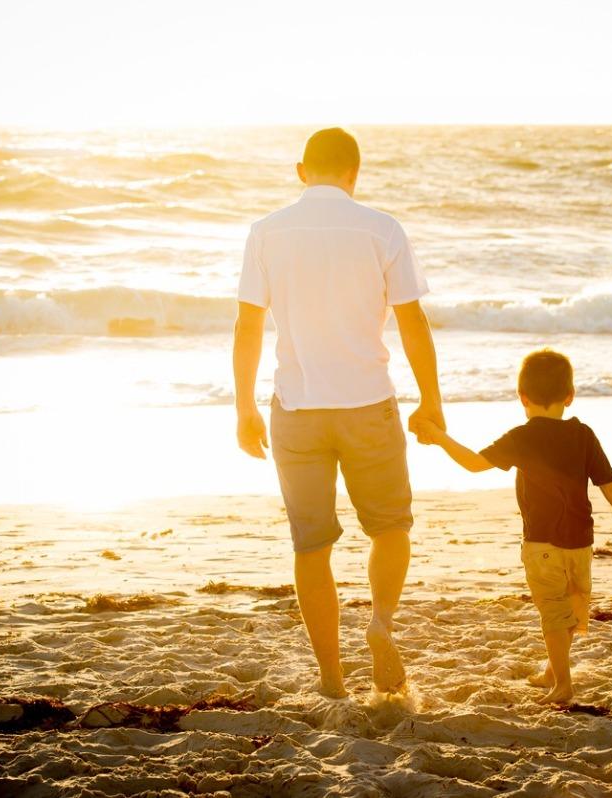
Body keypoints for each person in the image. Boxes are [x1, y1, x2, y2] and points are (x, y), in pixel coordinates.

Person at [232, 128, 444, 698]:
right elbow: (412, 322)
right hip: (369, 405)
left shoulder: (266, 232)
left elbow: (249, 325)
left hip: (296, 411)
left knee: (311, 547)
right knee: (392, 528)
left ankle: (331, 678)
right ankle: (380, 622)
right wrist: (432, 402)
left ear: (302, 170)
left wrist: (243, 407)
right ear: (356, 172)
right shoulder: (382, 228)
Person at [416, 349, 612, 705]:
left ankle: (563, 685)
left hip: (541, 543)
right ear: (569, 396)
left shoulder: (522, 437)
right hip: (581, 541)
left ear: (522, 397)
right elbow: (607, 482)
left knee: (553, 612)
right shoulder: (583, 434)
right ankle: (554, 672)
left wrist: (439, 437)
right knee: (571, 605)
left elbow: (474, 464)